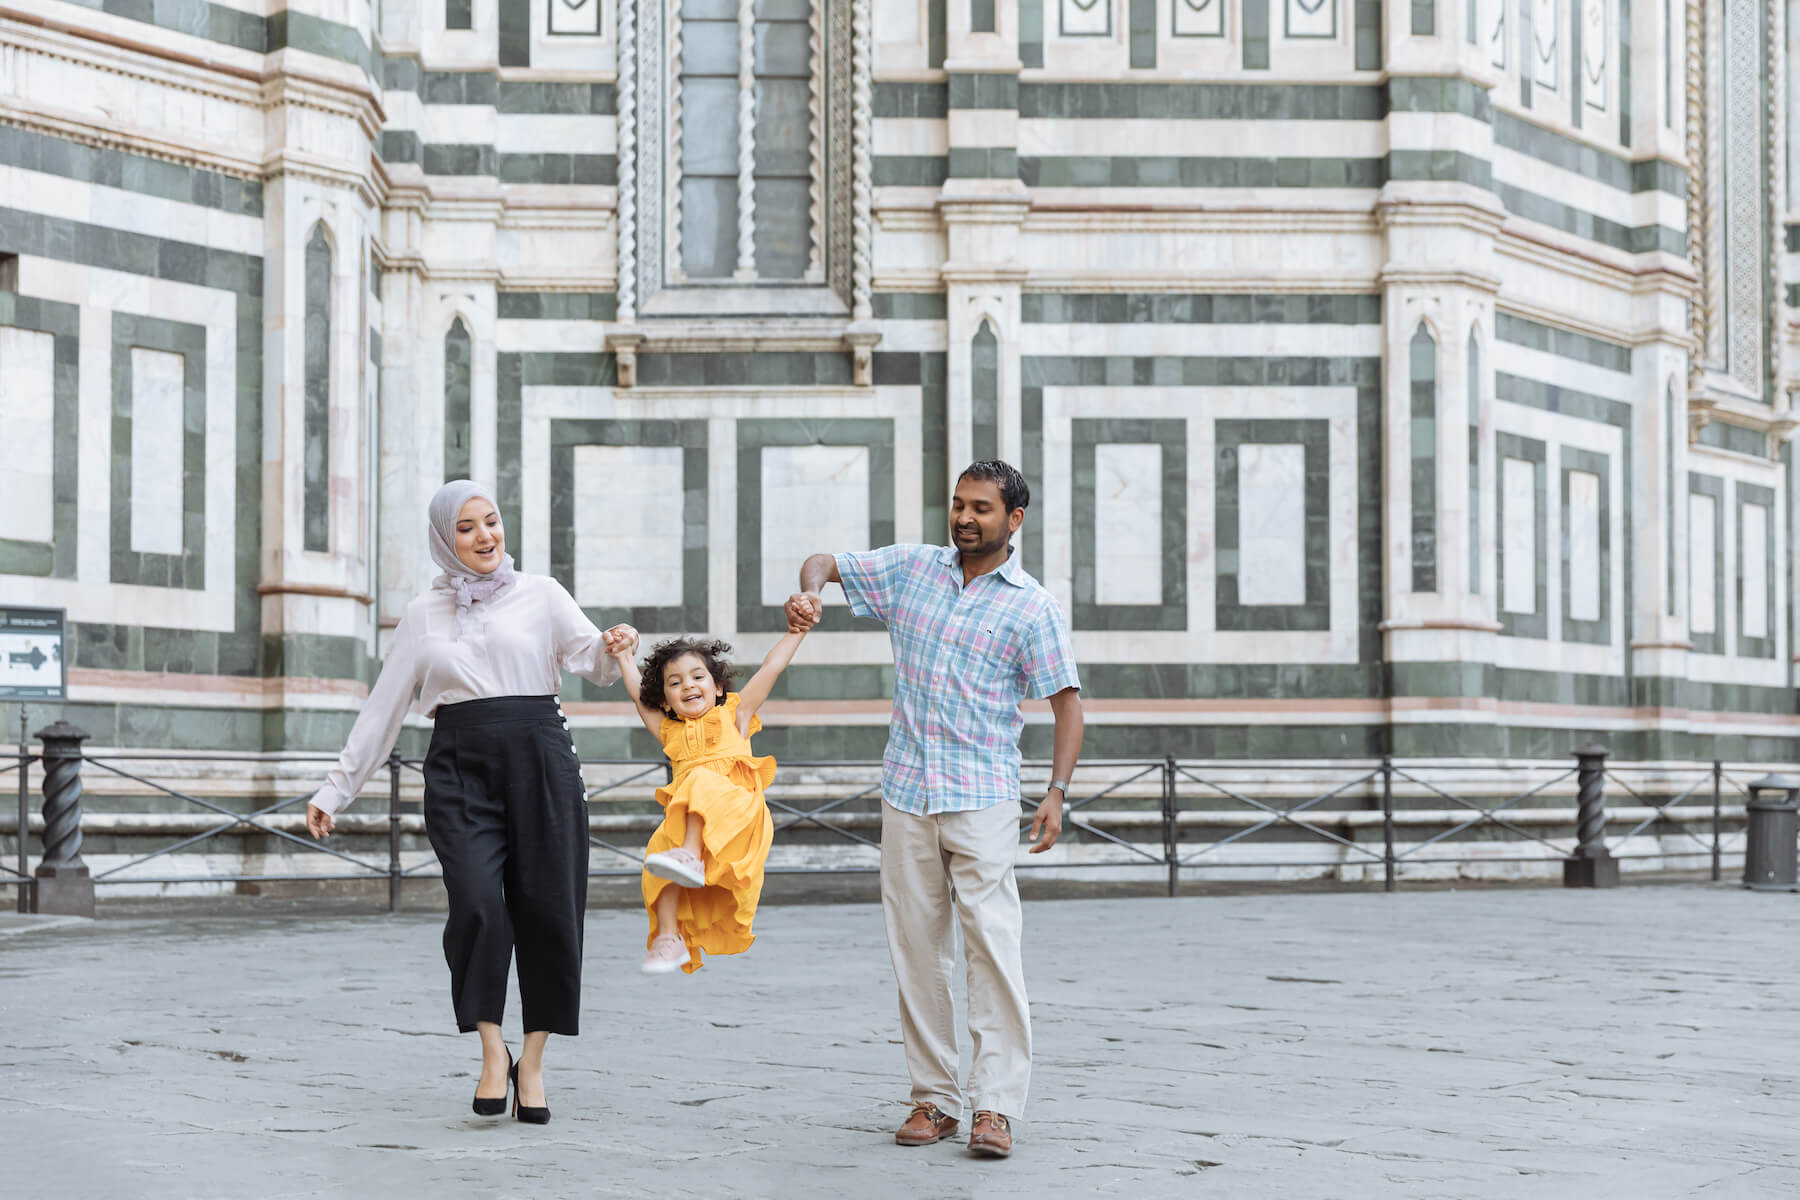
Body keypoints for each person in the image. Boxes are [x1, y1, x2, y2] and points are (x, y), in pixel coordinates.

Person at [305, 479, 638, 1125]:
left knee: (550, 913)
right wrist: (336, 788)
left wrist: (614, 642)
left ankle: (533, 1063)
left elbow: (593, 662)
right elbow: (385, 707)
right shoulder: (423, 613)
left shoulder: (541, 593)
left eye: (491, 522)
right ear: (443, 539)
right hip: (459, 766)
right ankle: (492, 1049)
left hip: (542, 756)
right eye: (466, 528)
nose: (485, 537)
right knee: (478, 907)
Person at [785, 459, 1084, 1160]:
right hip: (907, 793)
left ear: (1014, 520)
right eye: (957, 504)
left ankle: (997, 1109)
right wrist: (808, 594)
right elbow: (824, 561)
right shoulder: (912, 571)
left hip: (982, 796)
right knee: (917, 951)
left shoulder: (1032, 606)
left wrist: (1056, 791)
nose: (964, 517)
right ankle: (935, 1100)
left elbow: (1067, 704)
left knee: (993, 952)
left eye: (981, 507)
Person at [610, 630, 807, 974]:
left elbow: (772, 667)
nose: (688, 685)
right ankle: (670, 939)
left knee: (700, 780)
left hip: (738, 814)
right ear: (665, 700)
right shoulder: (669, 732)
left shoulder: (736, 715)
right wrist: (624, 657)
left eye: (697, 677)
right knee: (657, 857)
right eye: (675, 682)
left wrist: (796, 632)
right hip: (694, 824)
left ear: (717, 687)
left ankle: (688, 854)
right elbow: (638, 698)